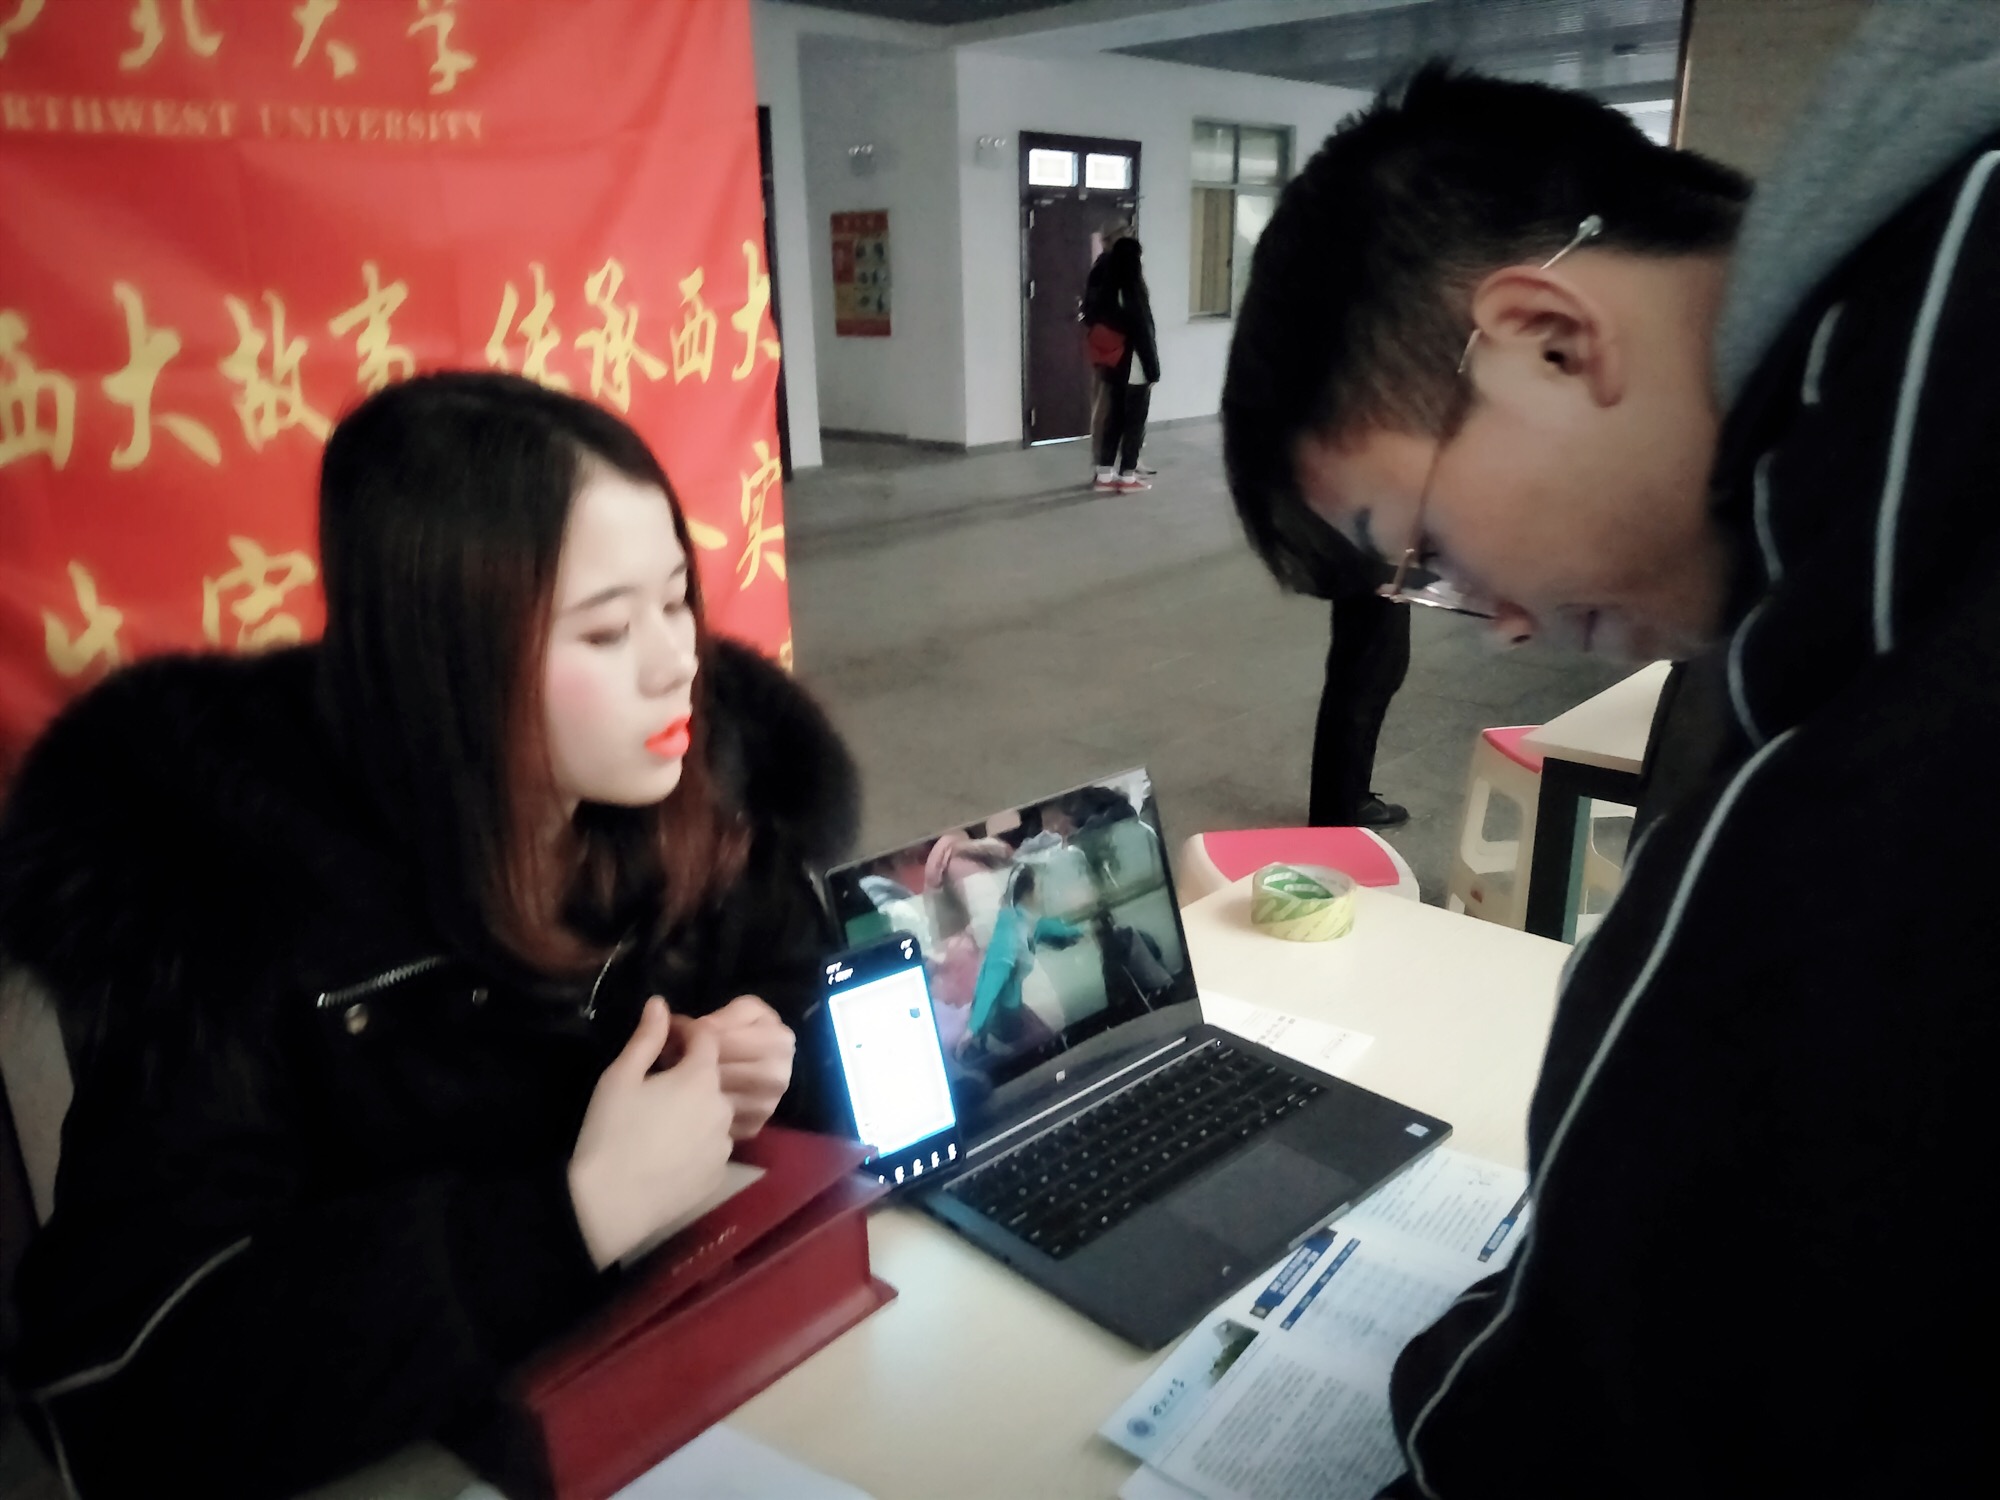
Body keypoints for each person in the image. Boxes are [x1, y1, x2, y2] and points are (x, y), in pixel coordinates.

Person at [1221, 12, 2000, 1493]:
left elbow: (1633, 1374)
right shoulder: (1872, 430)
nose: (1500, 621)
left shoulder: (1908, 538)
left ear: (1547, 337)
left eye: (1423, 551)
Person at [0, 372, 860, 1496]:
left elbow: (815, 1016)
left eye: (674, 601)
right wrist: (569, 1217)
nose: (675, 663)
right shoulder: (225, 904)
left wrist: (774, 1047)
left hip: (718, 1390)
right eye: (607, 629)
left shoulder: (704, 781)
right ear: (444, 662)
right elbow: (130, 1393)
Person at [1081, 236, 1161, 492]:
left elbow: (1090, 317)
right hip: (1134, 365)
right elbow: (1143, 335)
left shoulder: (1106, 291)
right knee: (1134, 422)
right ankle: (1127, 477)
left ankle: (1104, 476)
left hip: (1112, 363)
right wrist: (1153, 371)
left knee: (1113, 419)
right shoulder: (1132, 291)